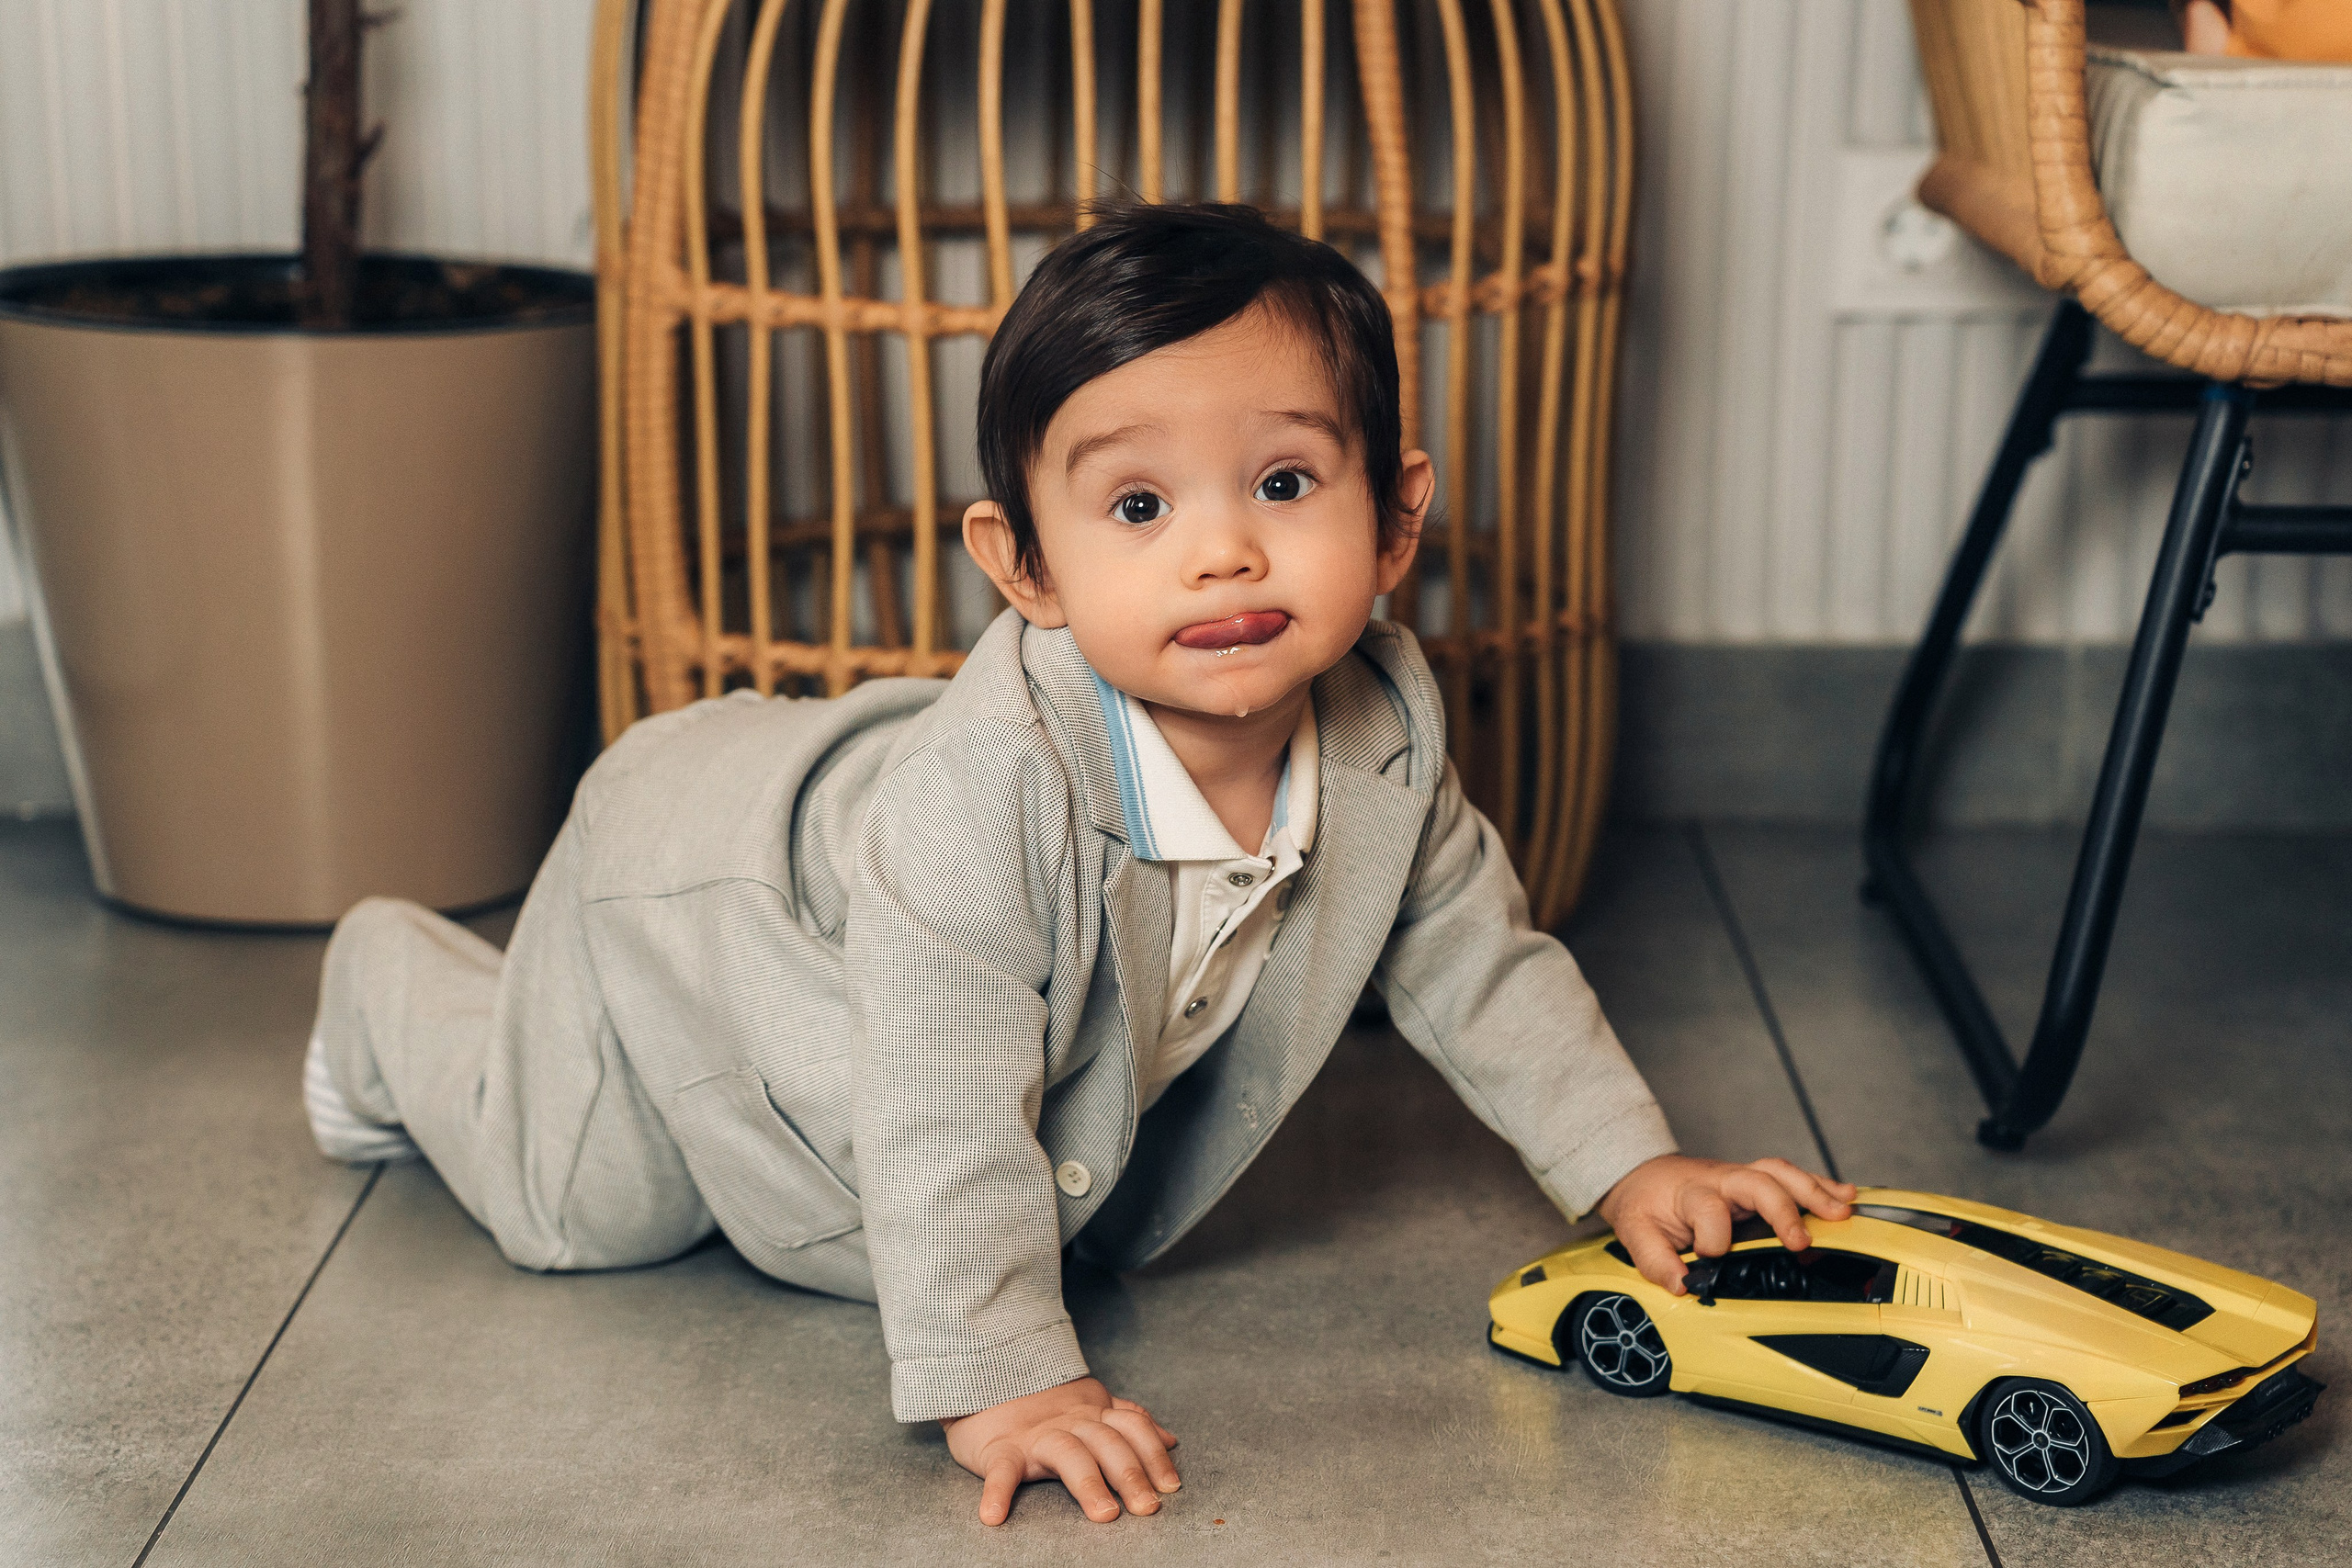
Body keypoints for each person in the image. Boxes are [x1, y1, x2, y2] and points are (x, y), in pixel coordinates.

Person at [302, 201, 1855, 1527]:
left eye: (1286, 484)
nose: (1222, 551)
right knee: (583, 1211)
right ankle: (388, 983)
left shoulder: (1383, 732)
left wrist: (1628, 1160)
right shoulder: (981, 818)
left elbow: (1474, 955)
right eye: (1137, 505)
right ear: (1025, 567)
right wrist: (1006, 1378)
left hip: (860, 867)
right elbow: (937, 1099)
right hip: (688, 887)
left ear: (1394, 522)